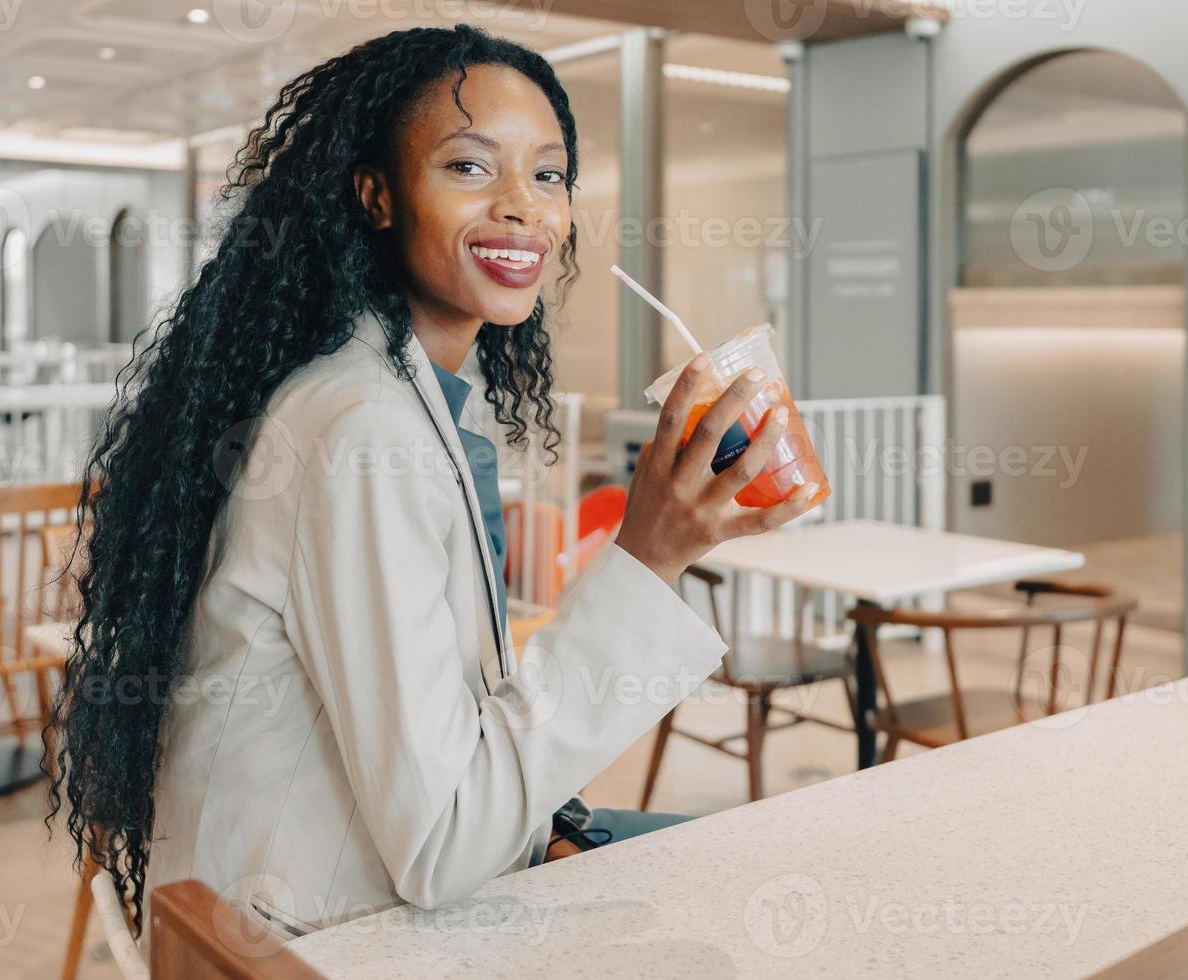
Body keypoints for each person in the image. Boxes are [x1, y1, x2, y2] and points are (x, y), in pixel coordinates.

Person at [47, 24, 817, 940]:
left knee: (753, 866)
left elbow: (446, 737)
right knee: (764, 896)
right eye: (467, 167)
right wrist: (649, 555)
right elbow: (444, 840)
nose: (523, 207)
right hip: (330, 938)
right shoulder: (361, 428)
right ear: (377, 195)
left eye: (548, 174)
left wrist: (555, 829)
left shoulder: (422, 399)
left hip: (366, 889)